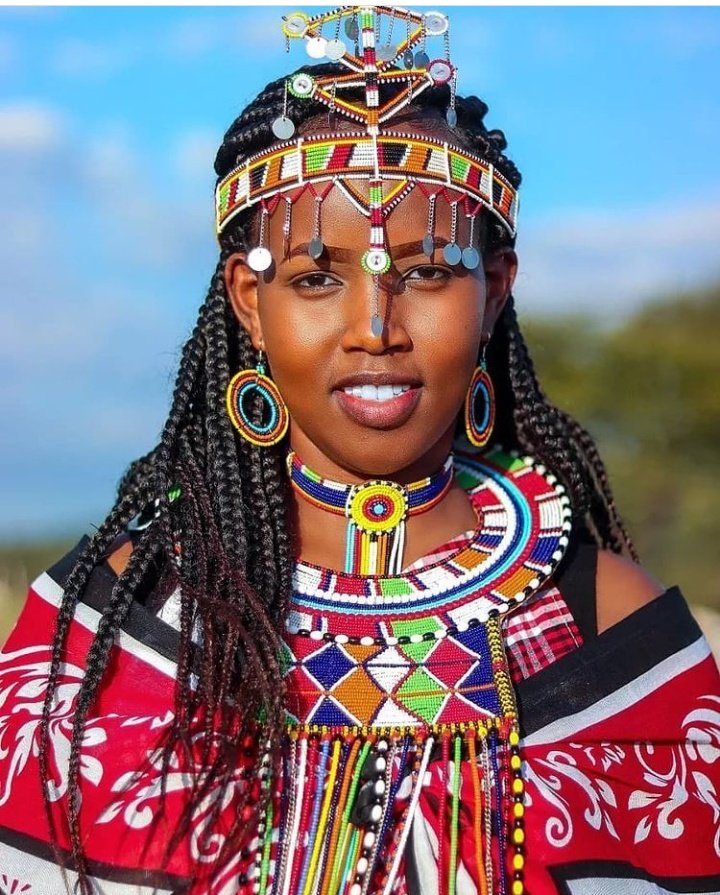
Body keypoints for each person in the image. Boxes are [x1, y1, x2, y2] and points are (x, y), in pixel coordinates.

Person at [0, 7, 718, 895]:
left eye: (425, 273)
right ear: (249, 304)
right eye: (312, 280)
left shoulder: (608, 625)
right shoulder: (120, 617)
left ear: (495, 290)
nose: (374, 329)